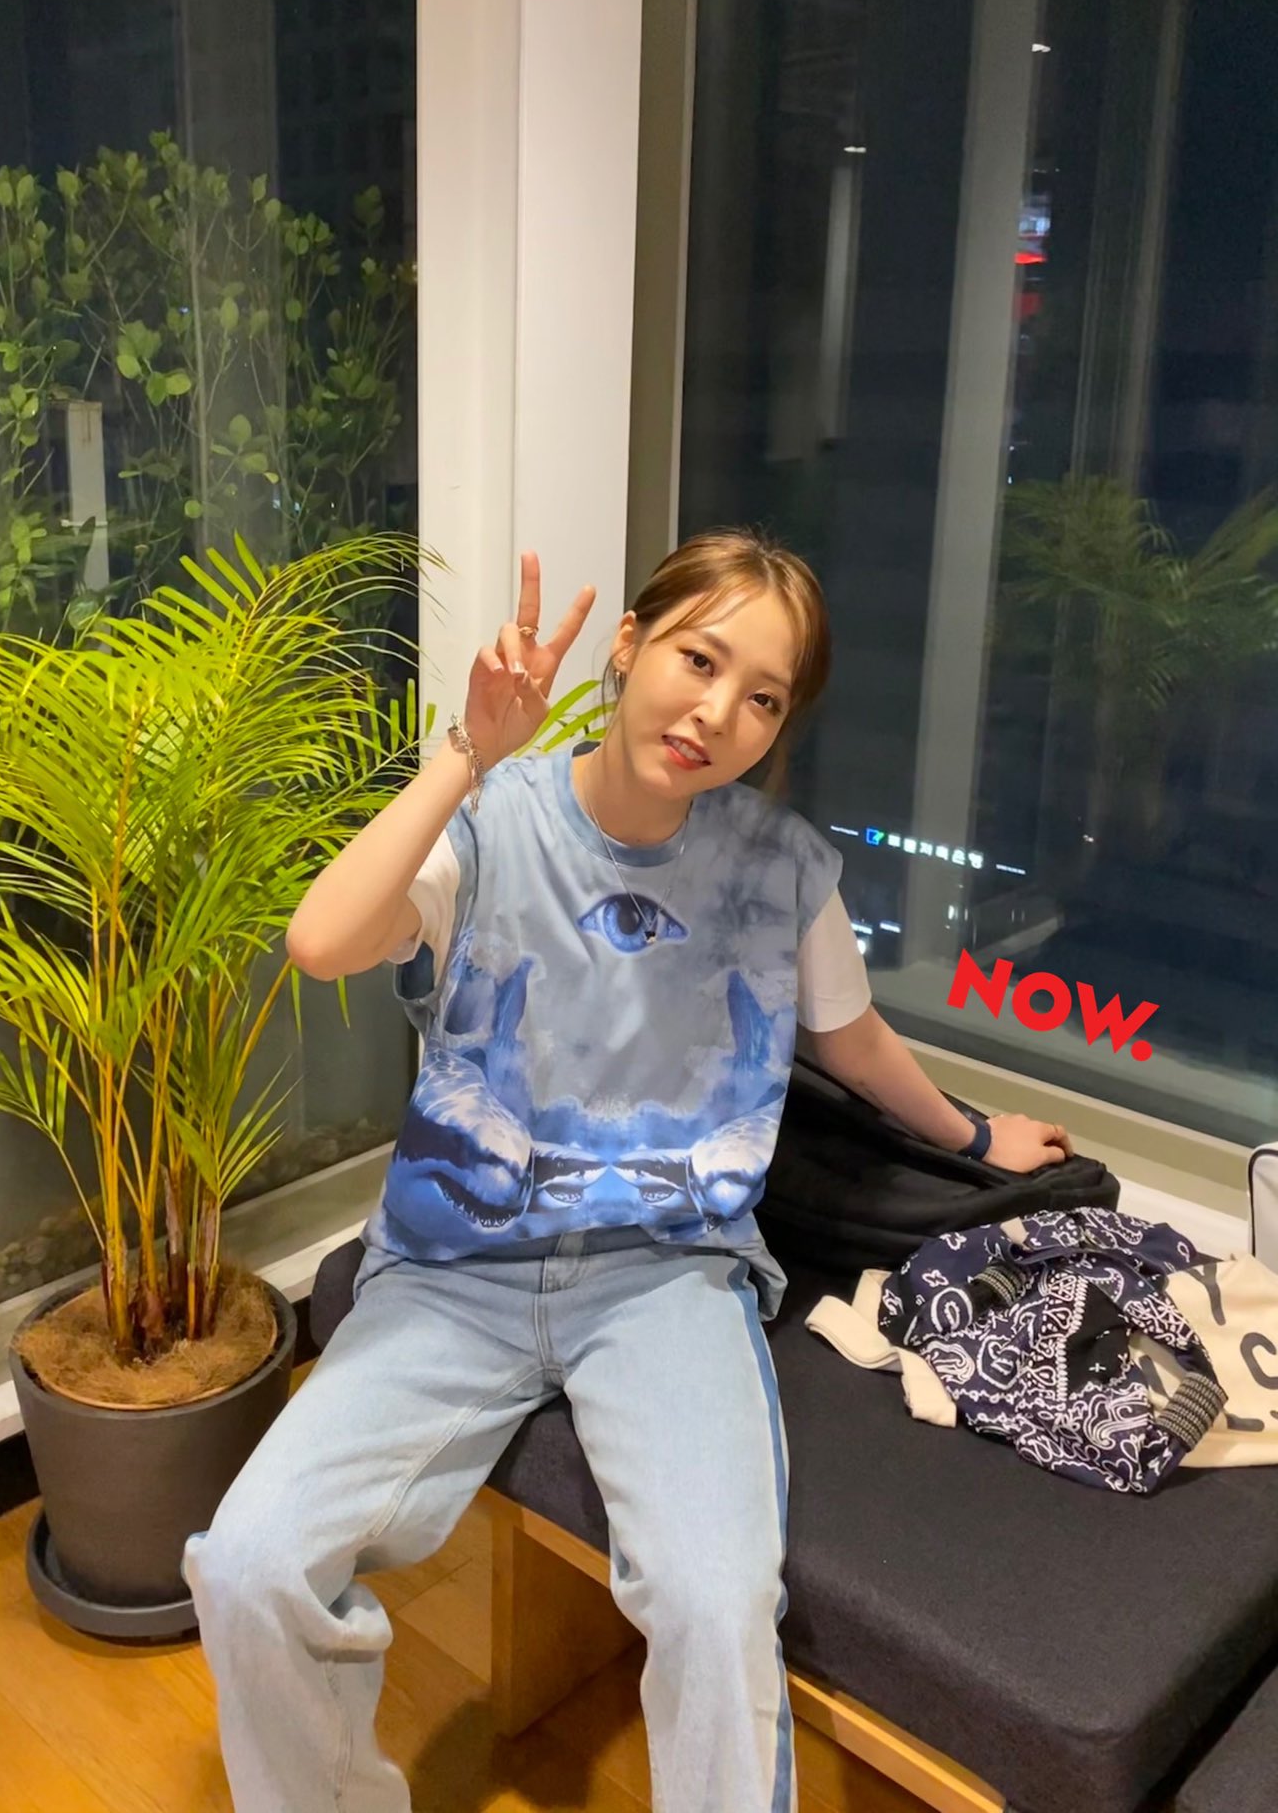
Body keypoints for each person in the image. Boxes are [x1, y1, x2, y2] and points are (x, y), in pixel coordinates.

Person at [184, 528, 1074, 1812]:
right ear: (628, 645)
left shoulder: (780, 871)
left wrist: (977, 1136)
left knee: (716, 1599)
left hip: (666, 1276)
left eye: (762, 696)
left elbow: (852, 1037)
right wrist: (467, 751)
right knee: (250, 1564)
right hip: (452, 1270)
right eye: (699, 658)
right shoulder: (495, 823)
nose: (717, 711)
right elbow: (322, 939)